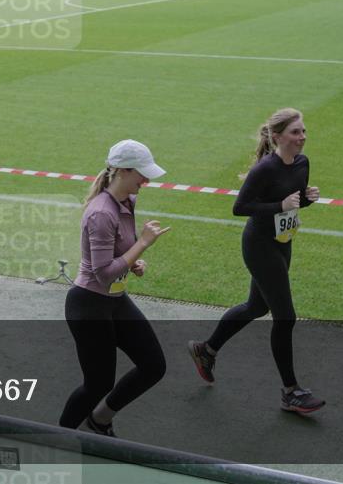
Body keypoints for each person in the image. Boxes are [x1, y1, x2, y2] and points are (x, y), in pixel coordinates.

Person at [187, 108, 325, 414]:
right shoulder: (264, 169)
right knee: (285, 317)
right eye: (295, 132)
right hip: (259, 246)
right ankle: (290, 392)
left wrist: (306, 200)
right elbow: (241, 207)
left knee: (257, 306)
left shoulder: (302, 163)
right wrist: (280, 204)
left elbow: (293, 201)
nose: (302, 138)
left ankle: (205, 350)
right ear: (277, 137)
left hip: (282, 243)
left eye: (303, 132)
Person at [59, 139, 171, 437]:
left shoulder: (127, 202)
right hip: (89, 306)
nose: (146, 180)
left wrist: (133, 262)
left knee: (153, 365)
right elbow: (103, 273)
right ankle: (57, 442)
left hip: (114, 301)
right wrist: (143, 245)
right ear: (122, 171)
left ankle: (99, 420)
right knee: (97, 385)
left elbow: (116, 255)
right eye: (141, 174)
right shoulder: (100, 213)